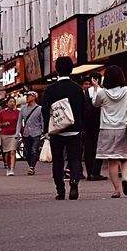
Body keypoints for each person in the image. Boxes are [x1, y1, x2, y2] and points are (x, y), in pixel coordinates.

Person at [91, 65, 127, 198]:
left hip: (107, 129)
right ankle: (124, 177)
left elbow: (95, 104)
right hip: (123, 128)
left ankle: (116, 190)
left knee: (112, 161)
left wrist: (96, 88)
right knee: (126, 157)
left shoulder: (102, 93)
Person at [42, 57, 87, 200]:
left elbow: (44, 110)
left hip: (57, 131)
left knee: (58, 160)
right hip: (74, 129)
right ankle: (74, 182)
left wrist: (47, 128)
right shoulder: (78, 89)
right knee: (74, 158)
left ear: (57, 70)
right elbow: (84, 109)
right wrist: (82, 125)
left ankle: (60, 190)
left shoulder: (50, 90)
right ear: (71, 69)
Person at [81, 74, 105, 180]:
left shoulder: (86, 92)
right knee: (98, 148)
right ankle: (96, 172)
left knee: (88, 148)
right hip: (100, 123)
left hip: (87, 124)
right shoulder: (103, 91)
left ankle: (89, 172)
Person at [18, 90, 44, 175]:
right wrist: (17, 133)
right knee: (27, 151)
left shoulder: (39, 109)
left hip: (36, 132)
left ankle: (32, 166)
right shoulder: (23, 109)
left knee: (34, 150)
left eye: (28, 96)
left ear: (34, 97)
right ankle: (31, 165)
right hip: (26, 133)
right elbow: (19, 121)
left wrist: (44, 131)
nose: (27, 97)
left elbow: (42, 121)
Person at [0, 96, 20, 176]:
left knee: (12, 151)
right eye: (10, 101)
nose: (12, 103)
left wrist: (22, 133)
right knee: (7, 153)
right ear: (7, 103)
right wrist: (3, 124)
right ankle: (8, 167)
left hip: (14, 134)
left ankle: (12, 169)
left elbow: (20, 123)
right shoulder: (2, 112)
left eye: (13, 101)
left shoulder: (18, 112)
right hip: (5, 134)